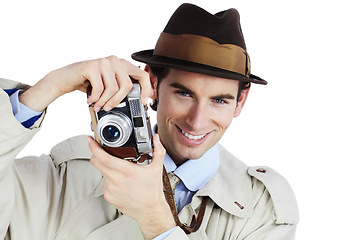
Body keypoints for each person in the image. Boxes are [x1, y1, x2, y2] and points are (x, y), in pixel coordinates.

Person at [0, 3, 298, 240]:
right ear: (152, 83)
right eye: (183, 93)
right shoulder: (66, 177)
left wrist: (155, 220)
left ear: (240, 102)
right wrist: (47, 88)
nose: (197, 121)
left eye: (219, 100)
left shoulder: (262, 210)